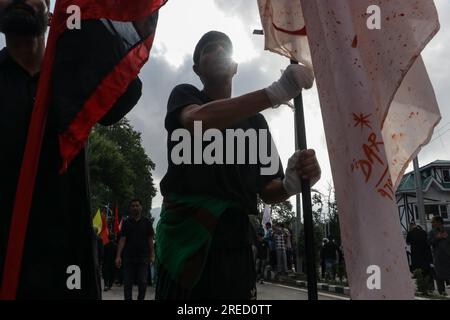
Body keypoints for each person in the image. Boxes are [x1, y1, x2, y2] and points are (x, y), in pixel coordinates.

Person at [155, 30, 321, 300]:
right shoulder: (185, 96)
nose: (219, 50)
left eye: (225, 47)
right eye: (210, 48)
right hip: (185, 238)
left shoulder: (255, 123)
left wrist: (293, 181)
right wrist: (276, 93)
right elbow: (198, 122)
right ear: (196, 68)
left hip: (234, 244)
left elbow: (268, 189)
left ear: (234, 67)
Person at [0, 0, 142, 299]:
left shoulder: (74, 74)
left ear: (50, 11)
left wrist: (88, 35)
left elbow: (123, 91)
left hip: (68, 260)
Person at [115, 199, 155, 300]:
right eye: (133, 206)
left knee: (143, 282)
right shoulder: (126, 222)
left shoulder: (147, 222)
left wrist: (152, 254)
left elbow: (150, 239)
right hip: (128, 257)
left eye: (137, 205)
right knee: (127, 284)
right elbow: (122, 239)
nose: (135, 208)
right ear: (130, 208)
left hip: (143, 257)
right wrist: (118, 256)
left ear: (141, 207)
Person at [428, 216, 450, 295]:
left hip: (448, 257)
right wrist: (438, 237)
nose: (432, 224)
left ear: (438, 222)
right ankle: (442, 293)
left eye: (433, 222)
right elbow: (428, 243)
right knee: (439, 277)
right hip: (438, 258)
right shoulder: (432, 232)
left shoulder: (448, 230)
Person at [406, 223, 433, 288]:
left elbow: (408, 242)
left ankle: (421, 286)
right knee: (427, 271)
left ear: (411, 227)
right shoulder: (423, 232)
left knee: (418, 271)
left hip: (415, 255)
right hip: (425, 254)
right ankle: (430, 286)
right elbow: (428, 241)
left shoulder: (410, 233)